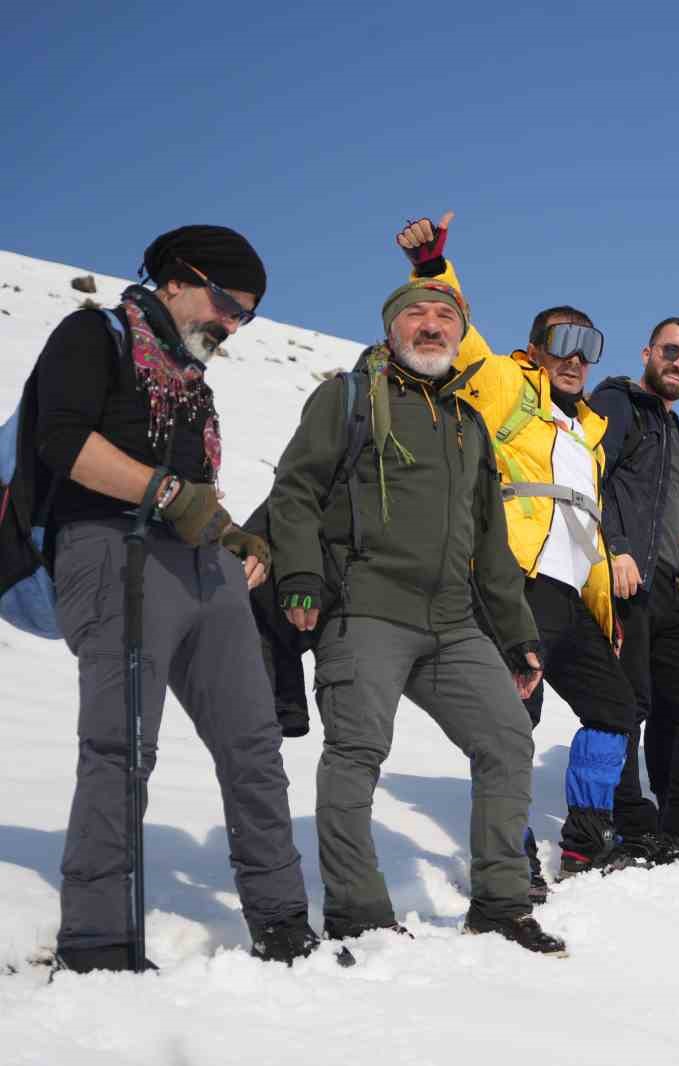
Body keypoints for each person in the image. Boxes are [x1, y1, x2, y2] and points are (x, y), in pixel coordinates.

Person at [30, 226, 316, 972]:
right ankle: (98, 941)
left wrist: (231, 536)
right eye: (229, 305)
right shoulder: (94, 336)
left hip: (202, 565)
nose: (233, 325)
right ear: (179, 279)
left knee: (253, 743)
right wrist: (166, 494)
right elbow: (62, 441)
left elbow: (193, 489)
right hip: (112, 548)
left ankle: (283, 921)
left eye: (246, 315)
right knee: (121, 746)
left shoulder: (190, 378)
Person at [269, 278, 564, 954]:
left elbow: (491, 541)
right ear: (391, 327)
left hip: (454, 622)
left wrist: (517, 635)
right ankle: (357, 912)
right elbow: (296, 490)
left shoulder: (468, 423)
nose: (432, 326)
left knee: (507, 740)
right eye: (416, 314)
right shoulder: (348, 397)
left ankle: (501, 903)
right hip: (366, 608)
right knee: (357, 751)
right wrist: (302, 576)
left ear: (460, 333)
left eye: (445, 317)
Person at [393, 215, 634, 886]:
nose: (576, 358)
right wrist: (433, 270)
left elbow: (585, 529)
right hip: (514, 581)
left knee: (614, 708)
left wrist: (605, 609)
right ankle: (509, 849)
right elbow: (464, 347)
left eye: (589, 346)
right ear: (534, 350)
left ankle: (587, 838)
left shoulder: (588, 431)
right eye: (562, 342)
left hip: (569, 594)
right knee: (512, 720)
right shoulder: (506, 383)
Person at [590, 319, 679, 857]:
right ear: (647, 352)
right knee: (627, 705)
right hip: (622, 579)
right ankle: (630, 826)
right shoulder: (617, 404)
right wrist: (615, 547)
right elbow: (589, 475)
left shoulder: (677, 433)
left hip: (666, 591)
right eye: (672, 351)